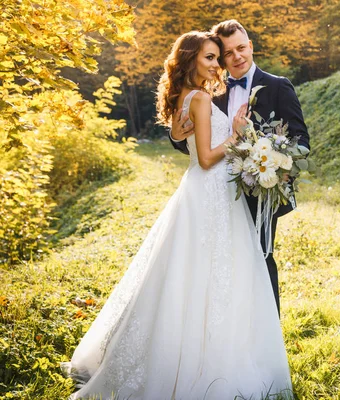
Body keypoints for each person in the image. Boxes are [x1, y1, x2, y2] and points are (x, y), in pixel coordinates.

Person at [61, 31, 293, 400]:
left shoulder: (190, 96)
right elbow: (204, 157)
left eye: (219, 57)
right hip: (211, 190)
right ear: (190, 60)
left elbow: (185, 137)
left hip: (207, 192)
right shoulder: (200, 97)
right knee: (211, 271)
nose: (217, 64)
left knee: (198, 273)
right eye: (210, 58)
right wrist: (235, 134)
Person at [170, 20, 310, 315]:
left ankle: (268, 331)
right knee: (217, 263)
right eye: (228, 52)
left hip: (261, 192)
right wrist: (176, 135)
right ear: (221, 58)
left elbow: (301, 141)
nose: (237, 57)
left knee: (260, 259)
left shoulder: (278, 86)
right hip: (216, 191)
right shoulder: (210, 90)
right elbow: (193, 144)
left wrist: (273, 165)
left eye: (241, 48)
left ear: (251, 46)